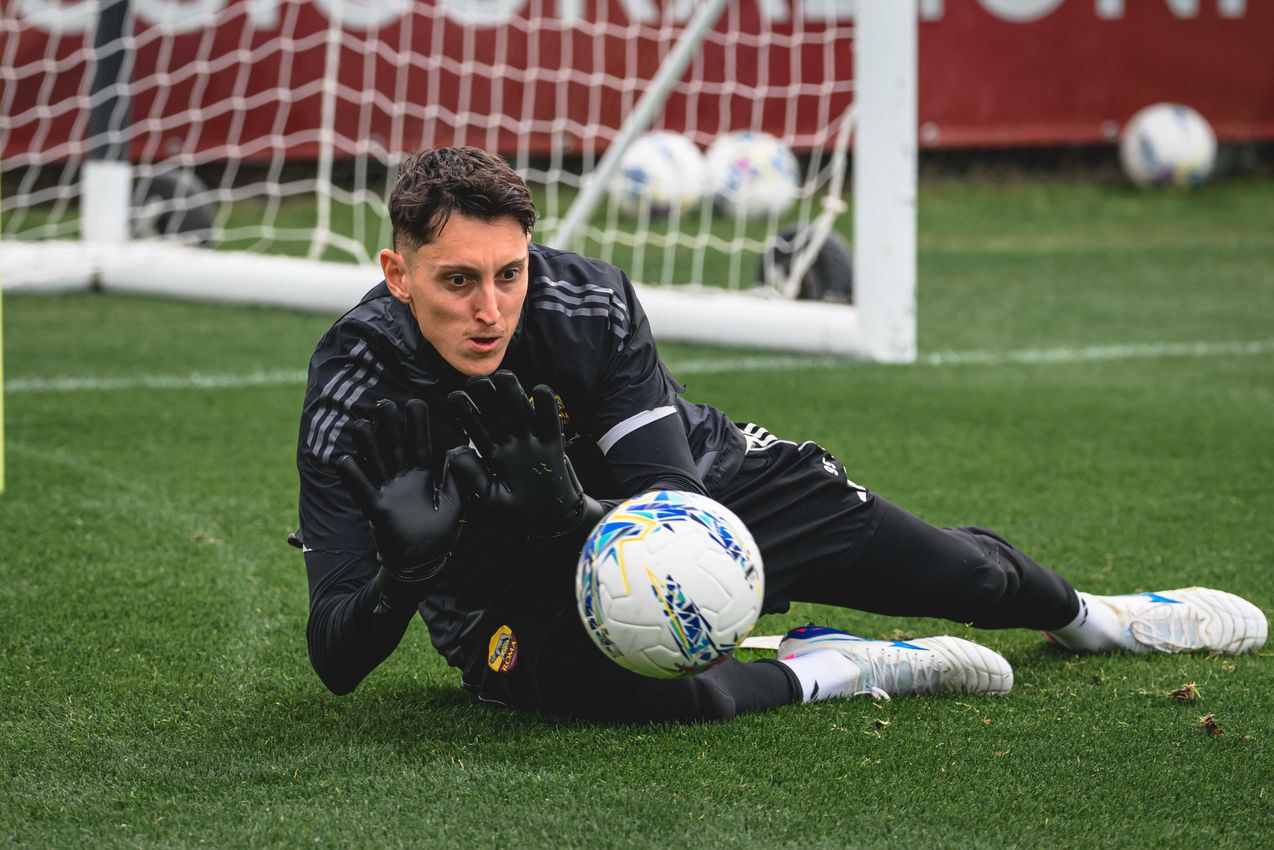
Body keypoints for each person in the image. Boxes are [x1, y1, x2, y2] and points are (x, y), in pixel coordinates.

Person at [295, 147, 1267, 723]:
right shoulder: (355, 396)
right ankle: (830, 665)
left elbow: (679, 511)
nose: (490, 307)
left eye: (508, 272)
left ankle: (1092, 616)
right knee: (674, 694)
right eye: (456, 280)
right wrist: (401, 580)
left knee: (965, 577)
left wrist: (578, 510)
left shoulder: (586, 303)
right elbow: (338, 661)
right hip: (512, 602)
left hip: (702, 492)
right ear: (396, 271)